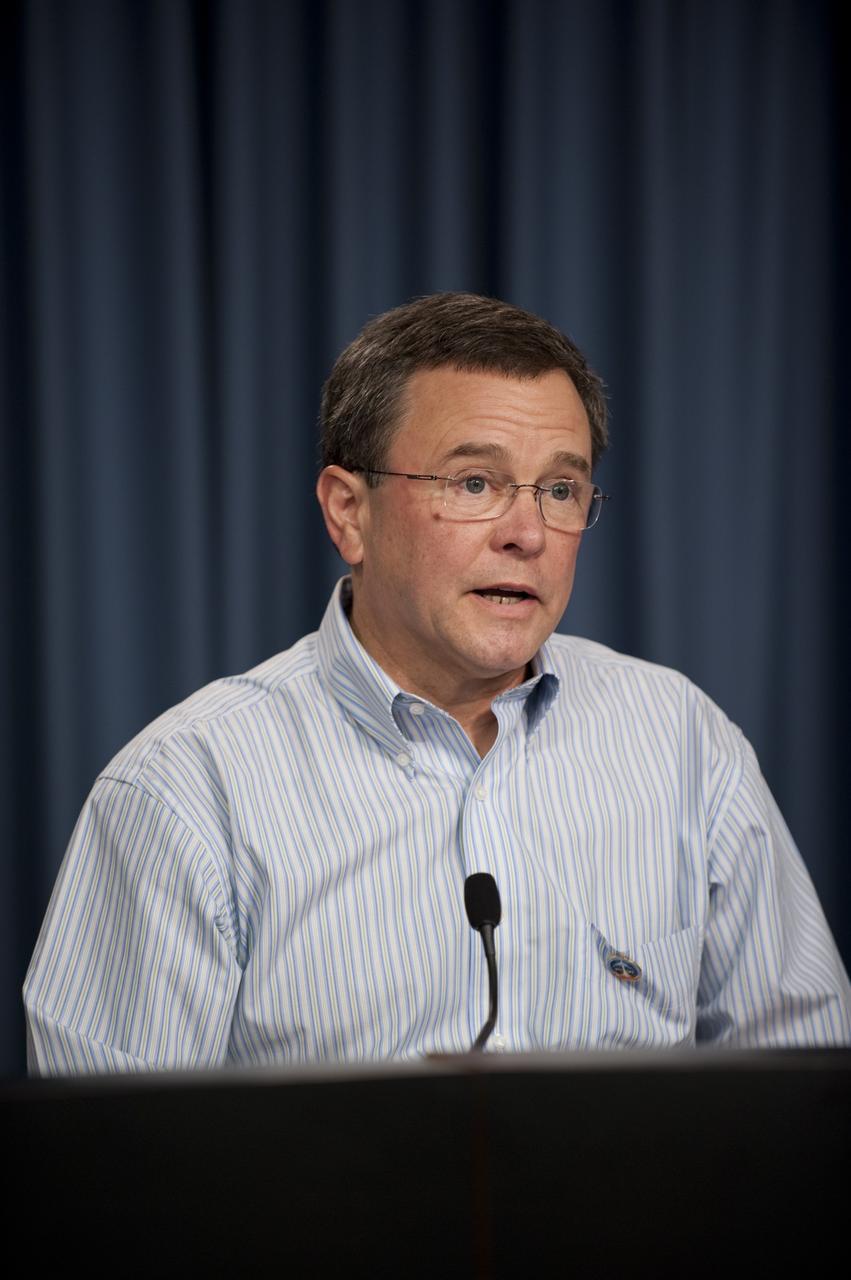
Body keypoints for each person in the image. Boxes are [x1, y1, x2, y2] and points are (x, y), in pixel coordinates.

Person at [24, 293, 850, 1073]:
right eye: (474, 484)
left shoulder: (681, 742)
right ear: (350, 511)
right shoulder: (185, 790)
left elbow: (805, 1085)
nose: (526, 532)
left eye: (560, 489)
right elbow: (118, 1175)